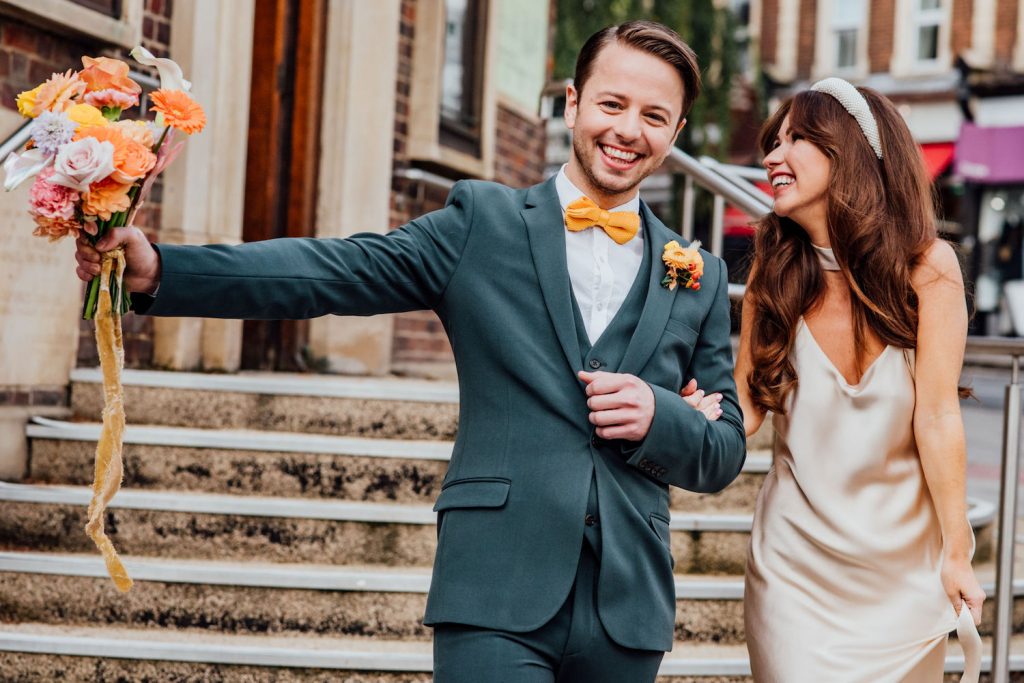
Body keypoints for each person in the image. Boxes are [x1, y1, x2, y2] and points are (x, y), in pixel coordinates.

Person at [75, 21, 745, 682]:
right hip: (495, 591)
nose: (629, 130)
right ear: (572, 103)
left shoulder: (698, 274)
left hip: (626, 612)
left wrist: (662, 415)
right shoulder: (483, 224)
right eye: (612, 104)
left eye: (655, 115)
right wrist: (161, 269)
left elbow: (724, 450)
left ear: (677, 133)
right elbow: (332, 270)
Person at [711, 78, 984, 680]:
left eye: (797, 140)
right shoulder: (774, 270)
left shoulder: (929, 268)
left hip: (904, 575)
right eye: (773, 142)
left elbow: (938, 416)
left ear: (851, 154)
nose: (772, 157)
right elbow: (748, 402)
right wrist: (694, 412)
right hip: (795, 569)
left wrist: (958, 553)